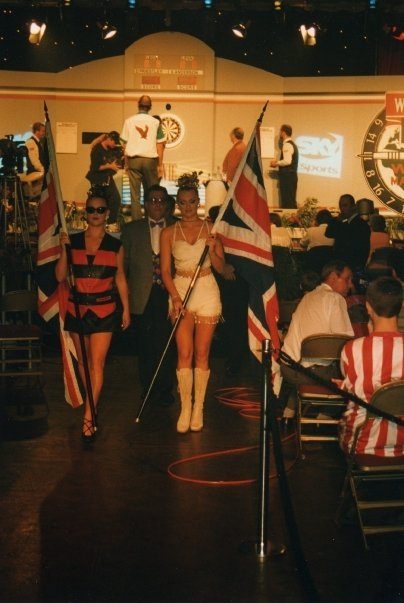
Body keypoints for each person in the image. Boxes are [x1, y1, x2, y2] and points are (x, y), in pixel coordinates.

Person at [55, 192, 130, 443]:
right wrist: (64, 251)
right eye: (91, 210)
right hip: (77, 309)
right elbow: (59, 276)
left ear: (107, 213)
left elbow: (120, 278)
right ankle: (93, 405)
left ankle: (88, 415)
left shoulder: (115, 245)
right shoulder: (72, 241)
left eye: (100, 210)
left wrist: (126, 309)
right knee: (83, 363)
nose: (95, 214)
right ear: (85, 212)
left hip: (105, 310)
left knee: (96, 364)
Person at [160, 184, 225, 433]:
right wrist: (175, 298)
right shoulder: (168, 232)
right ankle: (185, 407)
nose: (187, 207)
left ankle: (199, 408)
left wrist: (212, 249)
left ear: (198, 202)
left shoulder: (211, 229)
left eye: (191, 201)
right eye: (182, 202)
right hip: (180, 290)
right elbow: (165, 271)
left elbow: (221, 267)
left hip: (207, 289)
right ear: (177, 204)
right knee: (184, 352)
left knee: (202, 353)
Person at [279, 260, 354, 423]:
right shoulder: (335, 298)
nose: (351, 285)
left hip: (288, 369)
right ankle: (324, 417)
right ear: (334, 277)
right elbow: (344, 342)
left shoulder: (308, 296)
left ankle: (289, 411)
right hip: (311, 372)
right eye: (347, 279)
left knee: (308, 360)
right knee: (353, 376)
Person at [121, 184, 176, 407]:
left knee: (166, 344)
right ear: (145, 204)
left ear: (167, 204)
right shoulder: (131, 230)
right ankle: (148, 389)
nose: (157, 205)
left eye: (161, 200)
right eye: (152, 200)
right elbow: (122, 267)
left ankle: (165, 389)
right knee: (144, 346)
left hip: (168, 294)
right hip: (141, 295)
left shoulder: (176, 227)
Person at [339, 276, 404, 457]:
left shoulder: (352, 349)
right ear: (400, 306)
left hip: (362, 445)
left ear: (368, 307)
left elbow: (353, 391)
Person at [121, 95, 166, 221]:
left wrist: (126, 163)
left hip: (133, 160)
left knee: (134, 194)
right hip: (150, 161)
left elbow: (124, 144)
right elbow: (160, 145)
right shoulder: (155, 122)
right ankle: (151, 220)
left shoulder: (129, 121)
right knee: (152, 193)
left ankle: (136, 222)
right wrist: (160, 165)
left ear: (138, 105)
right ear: (150, 107)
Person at [325, 194, 370, 277]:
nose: (342, 209)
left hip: (352, 265)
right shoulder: (345, 222)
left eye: (345, 206)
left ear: (354, 207)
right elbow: (328, 233)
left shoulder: (360, 224)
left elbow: (358, 246)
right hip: (344, 264)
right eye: (341, 206)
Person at [85, 131, 122, 226]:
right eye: (114, 142)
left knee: (115, 199)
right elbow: (95, 167)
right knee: (100, 201)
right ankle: (98, 222)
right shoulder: (97, 150)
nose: (115, 145)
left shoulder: (109, 149)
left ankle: (111, 222)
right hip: (98, 179)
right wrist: (110, 166)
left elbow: (119, 153)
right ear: (109, 139)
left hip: (107, 178)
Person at [270, 124, 299, 209]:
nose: (279, 133)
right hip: (291, 176)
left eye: (280, 131)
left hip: (288, 177)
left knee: (287, 202)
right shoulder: (293, 144)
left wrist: (276, 163)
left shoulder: (287, 145)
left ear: (283, 132)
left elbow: (287, 161)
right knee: (291, 200)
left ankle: (288, 221)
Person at [300, 208, 335, 275]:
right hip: (330, 264)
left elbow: (302, 244)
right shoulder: (334, 231)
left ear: (317, 220)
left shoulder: (311, 230)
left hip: (314, 264)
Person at [24, 122, 48, 193]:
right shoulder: (31, 142)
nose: (44, 133)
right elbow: (34, 159)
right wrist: (42, 170)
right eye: (43, 131)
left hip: (39, 174)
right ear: (37, 131)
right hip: (34, 174)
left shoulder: (39, 143)